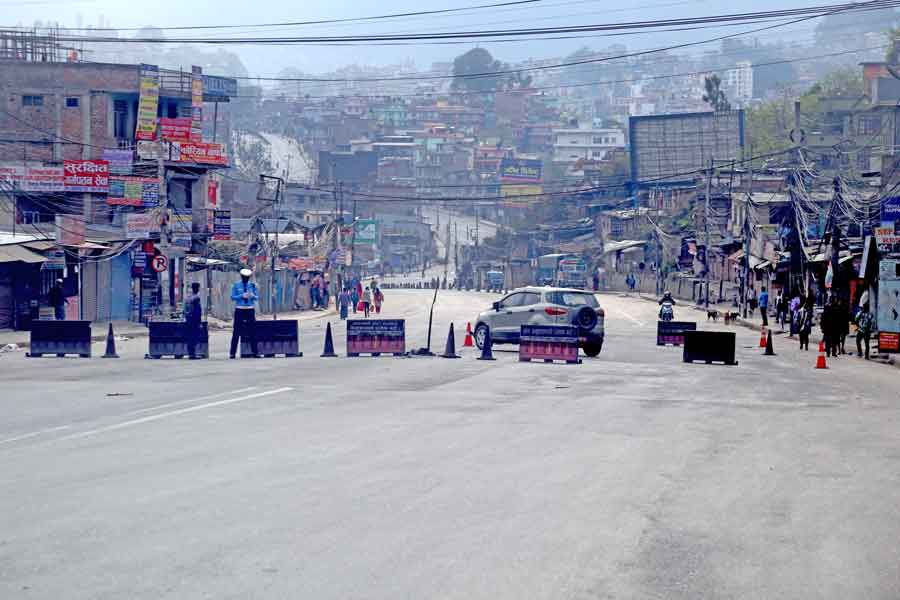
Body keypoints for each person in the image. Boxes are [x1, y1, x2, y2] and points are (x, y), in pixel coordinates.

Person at [229, 268, 259, 359]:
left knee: (252, 331)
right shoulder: (236, 285)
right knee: (236, 331)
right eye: (244, 277)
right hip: (240, 309)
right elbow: (232, 297)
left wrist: (253, 296)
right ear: (242, 277)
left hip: (250, 309)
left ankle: (255, 352)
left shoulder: (252, 285)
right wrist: (241, 296)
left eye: (247, 277)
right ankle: (232, 353)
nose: (246, 279)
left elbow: (257, 297)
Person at [185, 282, 203, 359]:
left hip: (188, 319)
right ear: (197, 288)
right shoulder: (196, 298)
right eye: (199, 288)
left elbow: (186, 309)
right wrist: (199, 322)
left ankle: (191, 353)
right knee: (194, 336)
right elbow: (197, 311)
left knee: (190, 336)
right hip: (194, 320)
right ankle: (192, 354)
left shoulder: (188, 297)